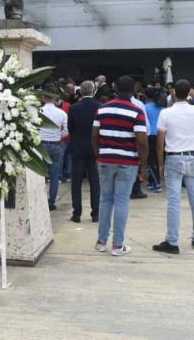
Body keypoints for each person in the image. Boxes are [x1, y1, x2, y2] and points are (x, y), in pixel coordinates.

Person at [153, 81, 194, 254]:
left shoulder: (166, 113)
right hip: (193, 157)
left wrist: (160, 163)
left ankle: (172, 241)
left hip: (174, 158)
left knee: (174, 202)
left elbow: (160, 142)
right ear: (189, 92)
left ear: (174, 94)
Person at [91, 76, 149, 257]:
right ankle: (117, 245)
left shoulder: (102, 109)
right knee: (122, 201)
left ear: (115, 88)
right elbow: (141, 141)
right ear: (133, 90)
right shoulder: (136, 111)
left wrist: (98, 154)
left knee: (105, 199)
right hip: (127, 162)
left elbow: (94, 135)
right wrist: (143, 165)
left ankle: (101, 242)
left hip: (105, 159)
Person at [67, 81, 101, 223]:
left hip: (78, 147)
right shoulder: (99, 107)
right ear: (93, 91)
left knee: (76, 182)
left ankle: (77, 213)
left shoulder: (74, 108)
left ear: (81, 91)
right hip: (94, 147)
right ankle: (96, 213)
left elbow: (70, 128)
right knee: (94, 181)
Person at [40, 88, 69, 211]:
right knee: (54, 174)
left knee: (40, 174)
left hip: (40, 144)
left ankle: (40, 199)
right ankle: (51, 201)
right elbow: (66, 131)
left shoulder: (38, 111)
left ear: (43, 98)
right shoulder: (62, 113)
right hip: (56, 144)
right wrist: (57, 136)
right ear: (55, 98)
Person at [143, 88, 164, 192]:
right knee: (157, 159)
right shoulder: (162, 108)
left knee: (150, 161)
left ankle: (156, 183)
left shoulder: (145, 107)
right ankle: (152, 181)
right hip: (161, 135)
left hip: (150, 135)